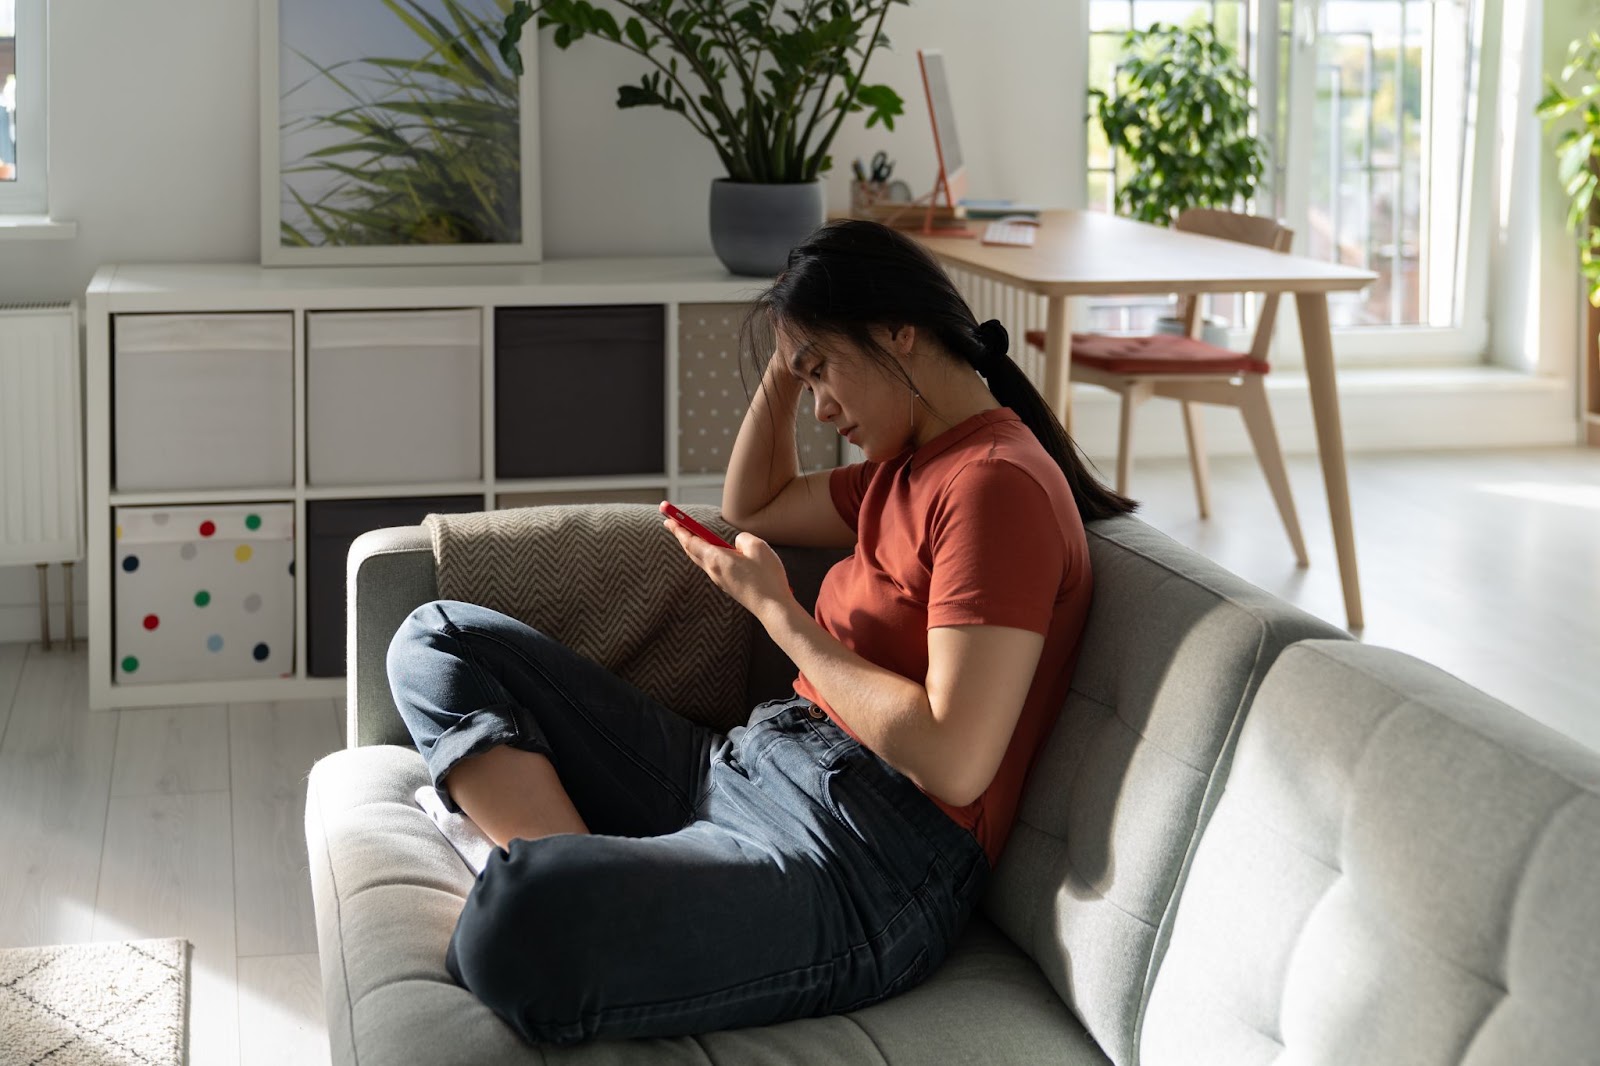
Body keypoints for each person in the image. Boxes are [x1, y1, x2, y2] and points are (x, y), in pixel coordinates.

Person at [387, 218, 1137, 1046]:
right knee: (436, 638)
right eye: (803, 376)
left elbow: (956, 760)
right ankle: (597, 868)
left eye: (822, 373)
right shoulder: (908, 463)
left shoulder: (995, 487)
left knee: (516, 919)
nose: (818, 405)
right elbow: (755, 504)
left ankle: (580, 876)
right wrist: (790, 345)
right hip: (749, 766)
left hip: (863, 857)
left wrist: (777, 611)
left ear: (900, 332)